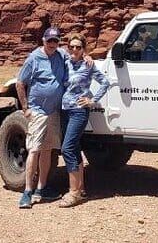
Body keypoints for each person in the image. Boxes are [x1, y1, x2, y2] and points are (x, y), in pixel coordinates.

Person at [15, 26, 67, 209]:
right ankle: (27, 192)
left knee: (47, 150)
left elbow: (78, 59)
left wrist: (88, 57)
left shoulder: (61, 55)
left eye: (56, 40)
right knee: (34, 150)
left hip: (54, 112)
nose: (53, 44)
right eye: (49, 40)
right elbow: (20, 83)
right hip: (38, 111)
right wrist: (25, 108)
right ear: (43, 40)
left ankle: (41, 188)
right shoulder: (34, 58)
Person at [57, 33, 110, 207]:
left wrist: (92, 100)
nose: (74, 49)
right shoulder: (66, 63)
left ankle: (74, 193)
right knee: (75, 147)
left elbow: (105, 82)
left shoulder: (88, 65)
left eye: (78, 47)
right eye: (71, 46)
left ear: (83, 49)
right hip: (65, 109)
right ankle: (81, 189)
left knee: (67, 148)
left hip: (79, 111)